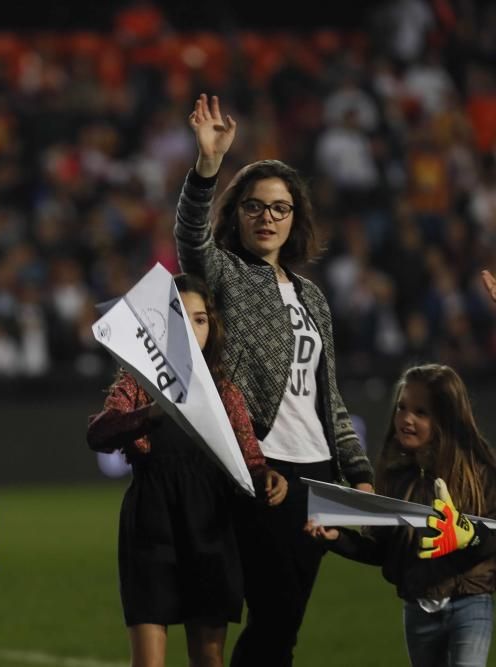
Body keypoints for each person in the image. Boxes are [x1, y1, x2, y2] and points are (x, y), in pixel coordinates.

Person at [174, 94, 375, 666]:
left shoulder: (312, 296)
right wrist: (208, 166)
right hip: (263, 464)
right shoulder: (227, 275)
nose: (268, 218)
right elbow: (191, 236)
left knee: (284, 626)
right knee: (275, 612)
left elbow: (328, 396)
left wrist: (357, 473)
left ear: (296, 218)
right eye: (256, 207)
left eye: (280, 208)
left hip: (318, 470)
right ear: (237, 213)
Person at [87, 272, 288, 667]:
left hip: (209, 526)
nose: (193, 329)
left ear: (212, 326)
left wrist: (269, 478)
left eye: (201, 319)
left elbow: (250, 459)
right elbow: (99, 433)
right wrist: (152, 413)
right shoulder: (139, 382)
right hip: (150, 527)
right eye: (181, 318)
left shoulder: (223, 390)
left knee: (209, 659)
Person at [305, 357, 496, 667]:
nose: (407, 418)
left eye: (421, 412)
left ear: (446, 418)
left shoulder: (480, 473)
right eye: (401, 408)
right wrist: (336, 537)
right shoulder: (396, 475)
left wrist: (468, 536)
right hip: (417, 610)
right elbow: (382, 548)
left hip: (469, 605)